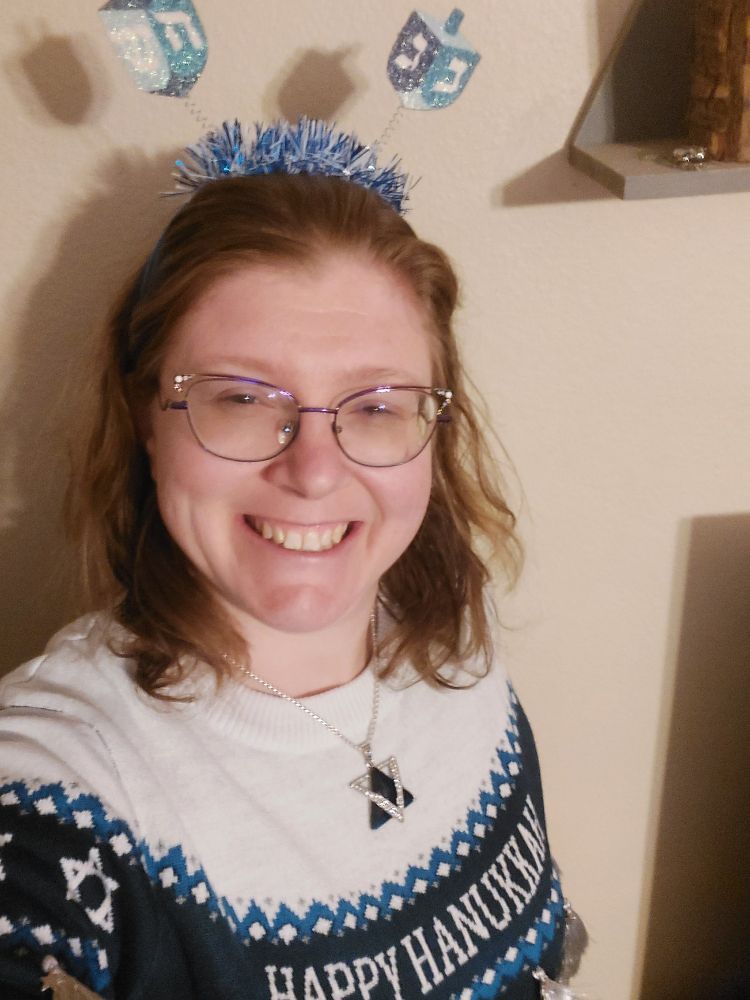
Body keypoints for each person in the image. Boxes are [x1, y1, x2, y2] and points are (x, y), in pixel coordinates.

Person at [0, 120, 576, 999]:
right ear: (148, 416)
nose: (313, 472)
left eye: (378, 406)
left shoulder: (461, 633)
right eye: (239, 398)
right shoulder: (68, 784)